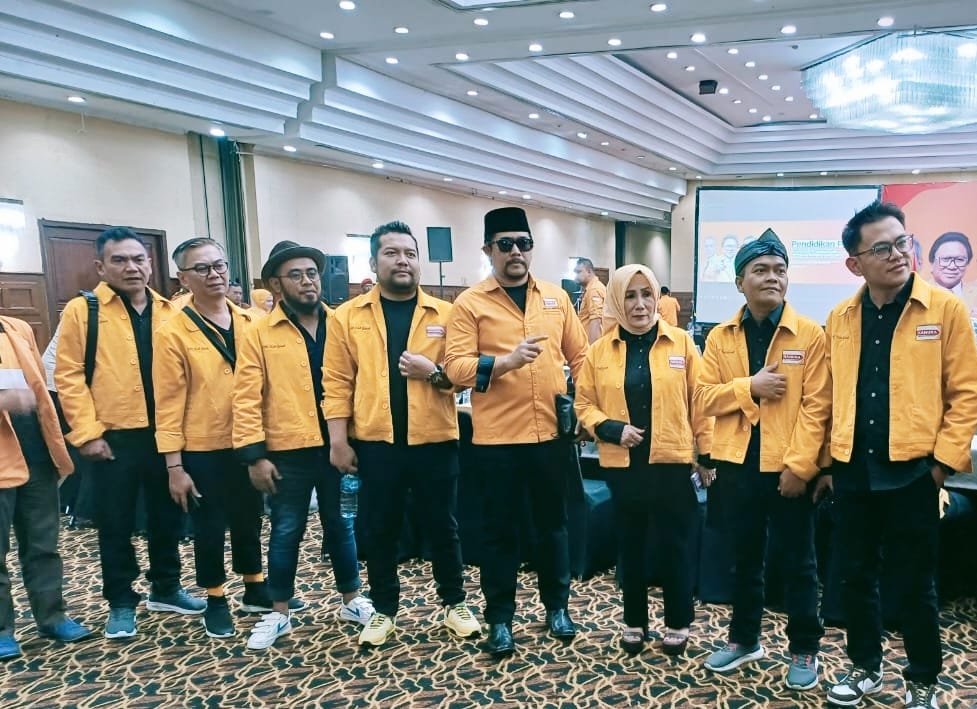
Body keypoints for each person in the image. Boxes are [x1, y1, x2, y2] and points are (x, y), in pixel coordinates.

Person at [823, 202, 977, 709]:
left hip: (914, 474)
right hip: (853, 472)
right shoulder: (841, 317)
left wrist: (941, 466)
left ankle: (923, 680)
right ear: (855, 264)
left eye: (902, 242)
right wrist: (825, 463)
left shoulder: (944, 310)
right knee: (855, 577)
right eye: (882, 248)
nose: (897, 254)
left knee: (915, 584)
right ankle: (865, 668)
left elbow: (966, 394)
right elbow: (829, 395)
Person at [324, 221, 480, 647]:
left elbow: (462, 376)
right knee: (380, 529)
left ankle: (454, 603)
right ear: (373, 262)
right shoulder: (347, 316)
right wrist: (338, 440)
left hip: (435, 439)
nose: (402, 261)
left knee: (443, 526)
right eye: (391, 253)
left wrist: (434, 373)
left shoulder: (446, 314)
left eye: (410, 253)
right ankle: (384, 610)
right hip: (376, 442)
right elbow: (336, 382)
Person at [444, 206, 589, 658]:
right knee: (499, 533)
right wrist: (504, 362)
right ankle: (500, 619)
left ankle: (557, 608)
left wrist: (584, 406)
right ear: (488, 250)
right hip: (497, 442)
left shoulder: (556, 298)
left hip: (550, 437)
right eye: (505, 244)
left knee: (553, 527)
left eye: (523, 244)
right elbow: (455, 368)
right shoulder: (470, 303)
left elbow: (582, 356)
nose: (515, 252)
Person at [695, 228, 830, 691]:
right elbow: (703, 397)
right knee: (744, 559)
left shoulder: (809, 334)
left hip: (789, 468)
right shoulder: (719, 337)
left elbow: (818, 406)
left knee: (799, 562)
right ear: (739, 282)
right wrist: (748, 387)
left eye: (780, 270)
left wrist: (801, 467)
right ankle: (744, 639)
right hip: (736, 466)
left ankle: (804, 648)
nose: (772, 277)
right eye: (760, 270)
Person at [55, 227, 205, 639]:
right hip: (113, 438)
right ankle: (121, 601)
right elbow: (69, 375)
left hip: (167, 435)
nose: (131, 267)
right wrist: (87, 433)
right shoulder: (83, 311)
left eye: (138, 259)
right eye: (119, 260)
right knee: (115, 522)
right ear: (101, 266)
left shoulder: (170, 310)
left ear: (150, 264)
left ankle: (166, 587)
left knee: (167, 514)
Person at [233, 240, 373, 650]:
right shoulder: (259, 332)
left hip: (338, 446)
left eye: (312, 273)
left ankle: (351, 600)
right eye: (296, 275)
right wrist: (254, 456)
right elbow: (245, 398)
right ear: (277, 285)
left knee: (342, 526)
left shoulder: (341, 324)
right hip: (286, 451)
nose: (308, 281)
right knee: (285, 531)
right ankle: (278, 612)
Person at [574, 264, 713, 657]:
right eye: (630, 296)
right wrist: (610, 428)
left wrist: (705, 455)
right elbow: (584, 404)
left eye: (646, 294)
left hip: (672, 464)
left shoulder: (682, 343)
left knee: (675, 547)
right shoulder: (599, 351)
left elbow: (700, 402)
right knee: (631, 546)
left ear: (656, 298)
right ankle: (634, 621)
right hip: (624, 465)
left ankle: (678, 622)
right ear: (617, 301)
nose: (639, 304)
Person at [154, 238, 281, 639]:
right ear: (183, 278)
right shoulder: (172, 332)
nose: (214, 275)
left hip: (248, 440)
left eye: (219, 266)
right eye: (202, 269)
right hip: (201, 447)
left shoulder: (252, 321)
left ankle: (254, 586)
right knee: (208, 526)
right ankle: (215, 598)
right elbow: (167, 404)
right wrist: (174, 467)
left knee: (249, 517)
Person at [0, 315, 92, 659]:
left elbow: (39, 388)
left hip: (36, 456)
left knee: (44, 546)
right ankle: (2, 630)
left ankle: (52, 617)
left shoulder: (17, 328)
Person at [927, 231, 977, 317]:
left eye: (959, 260)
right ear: (932, 262)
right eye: (946, 259)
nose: (952, 266)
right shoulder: (918, 292)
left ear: (967, 263)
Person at [573, 257, 606, 343]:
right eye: (575, 272)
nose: (576, 276)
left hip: (591, 345)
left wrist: (592, 349)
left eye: (579, 272)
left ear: (589, 272)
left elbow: (596, 321)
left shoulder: (594, 290)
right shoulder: (590, 288)